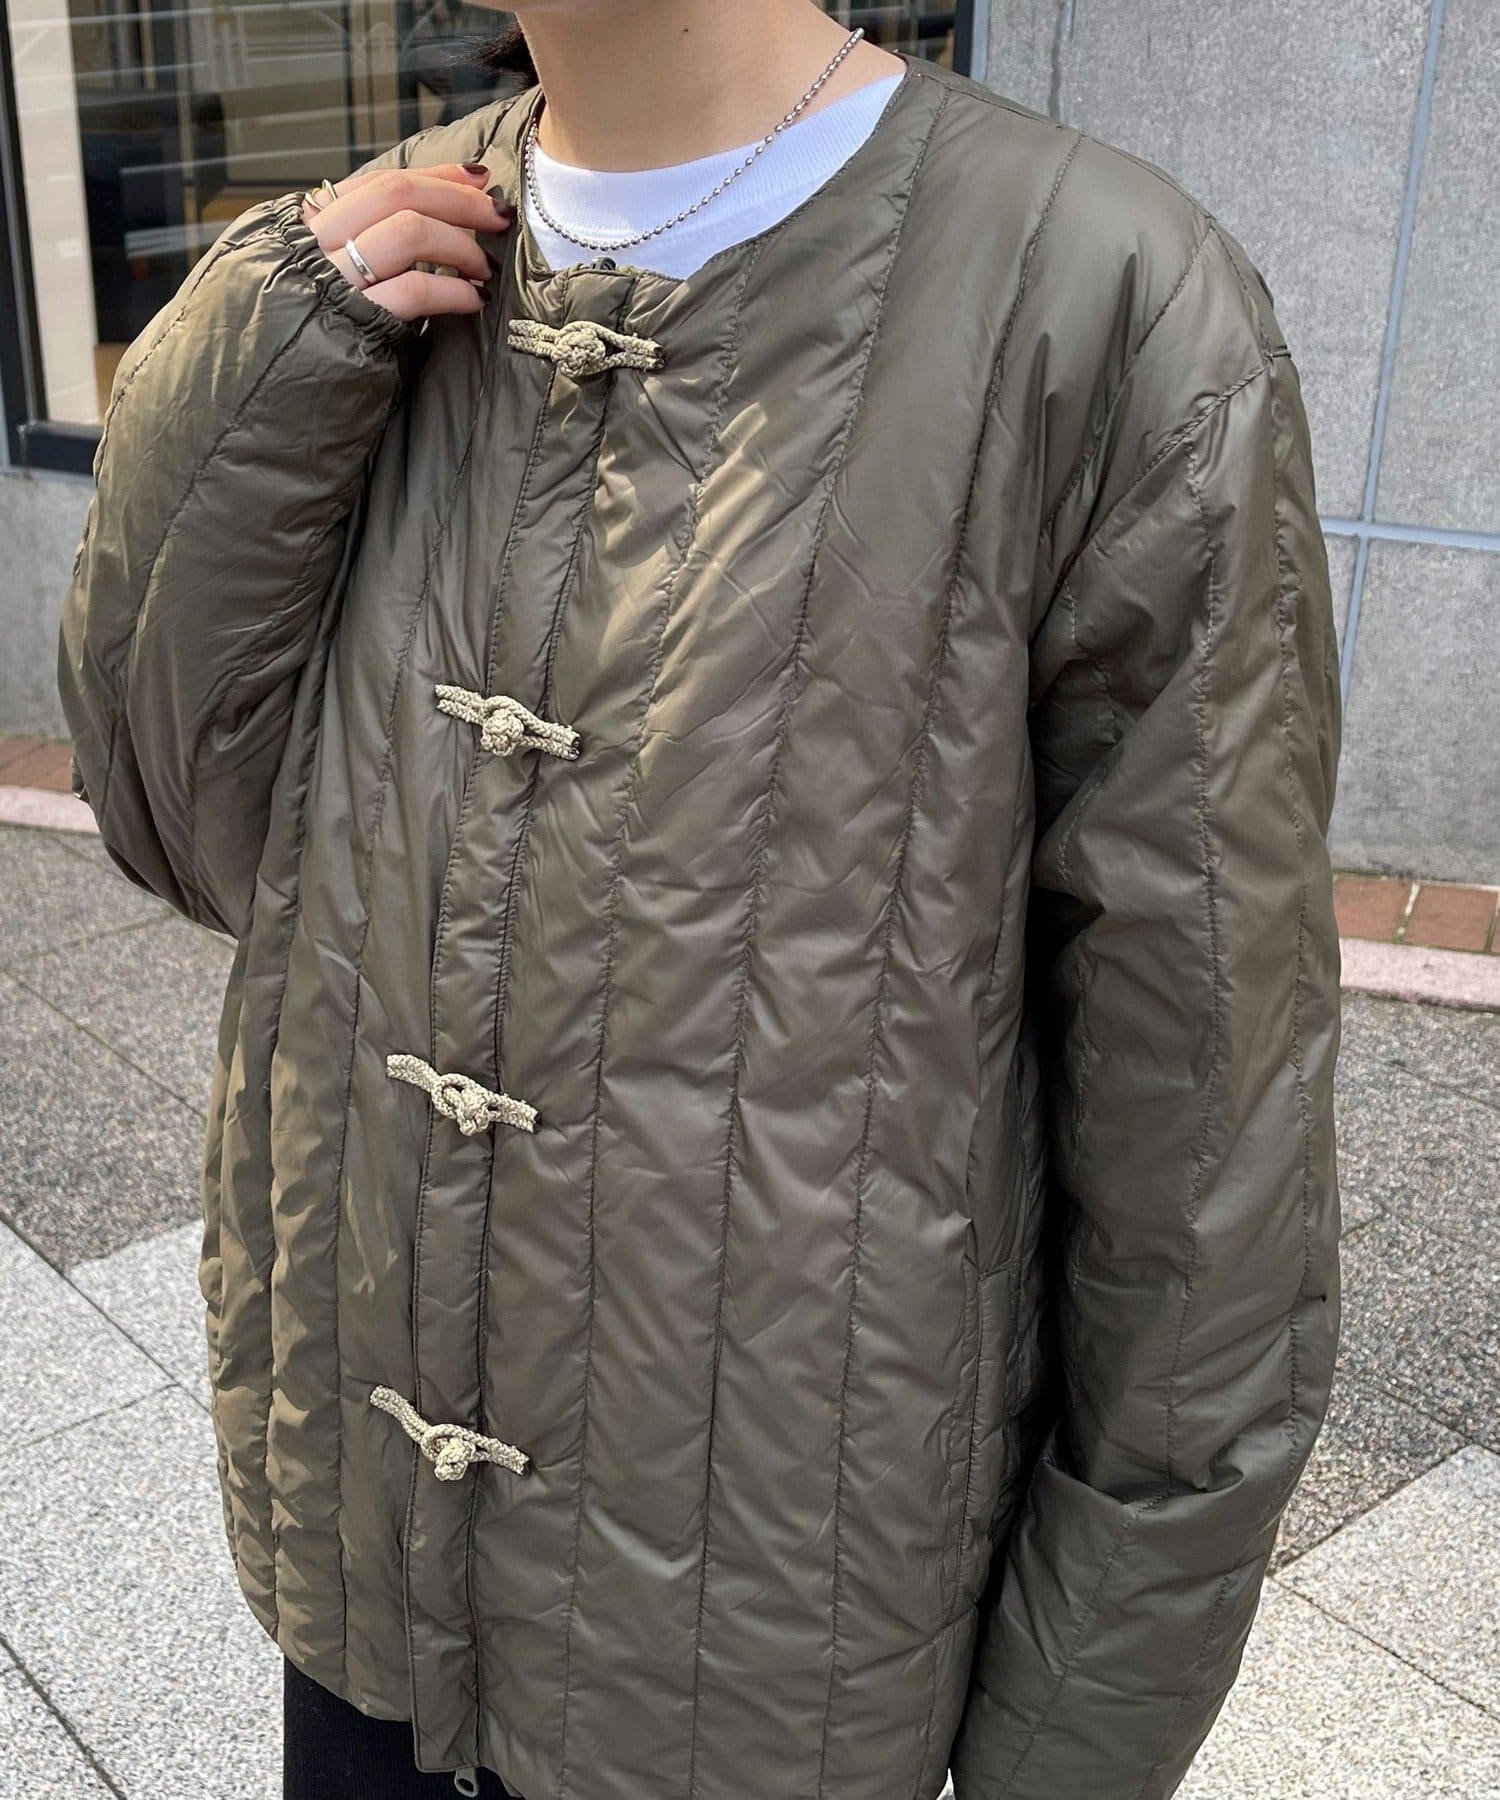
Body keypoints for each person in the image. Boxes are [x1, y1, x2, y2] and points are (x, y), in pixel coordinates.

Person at [55, 2, 1343, 1796]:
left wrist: (1076, 1742)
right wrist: (245, 366)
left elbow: (1204, 1138)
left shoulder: (1102, 298)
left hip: (770, 1669)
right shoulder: (375, 261)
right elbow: (183, 827)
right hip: (368, 1591)